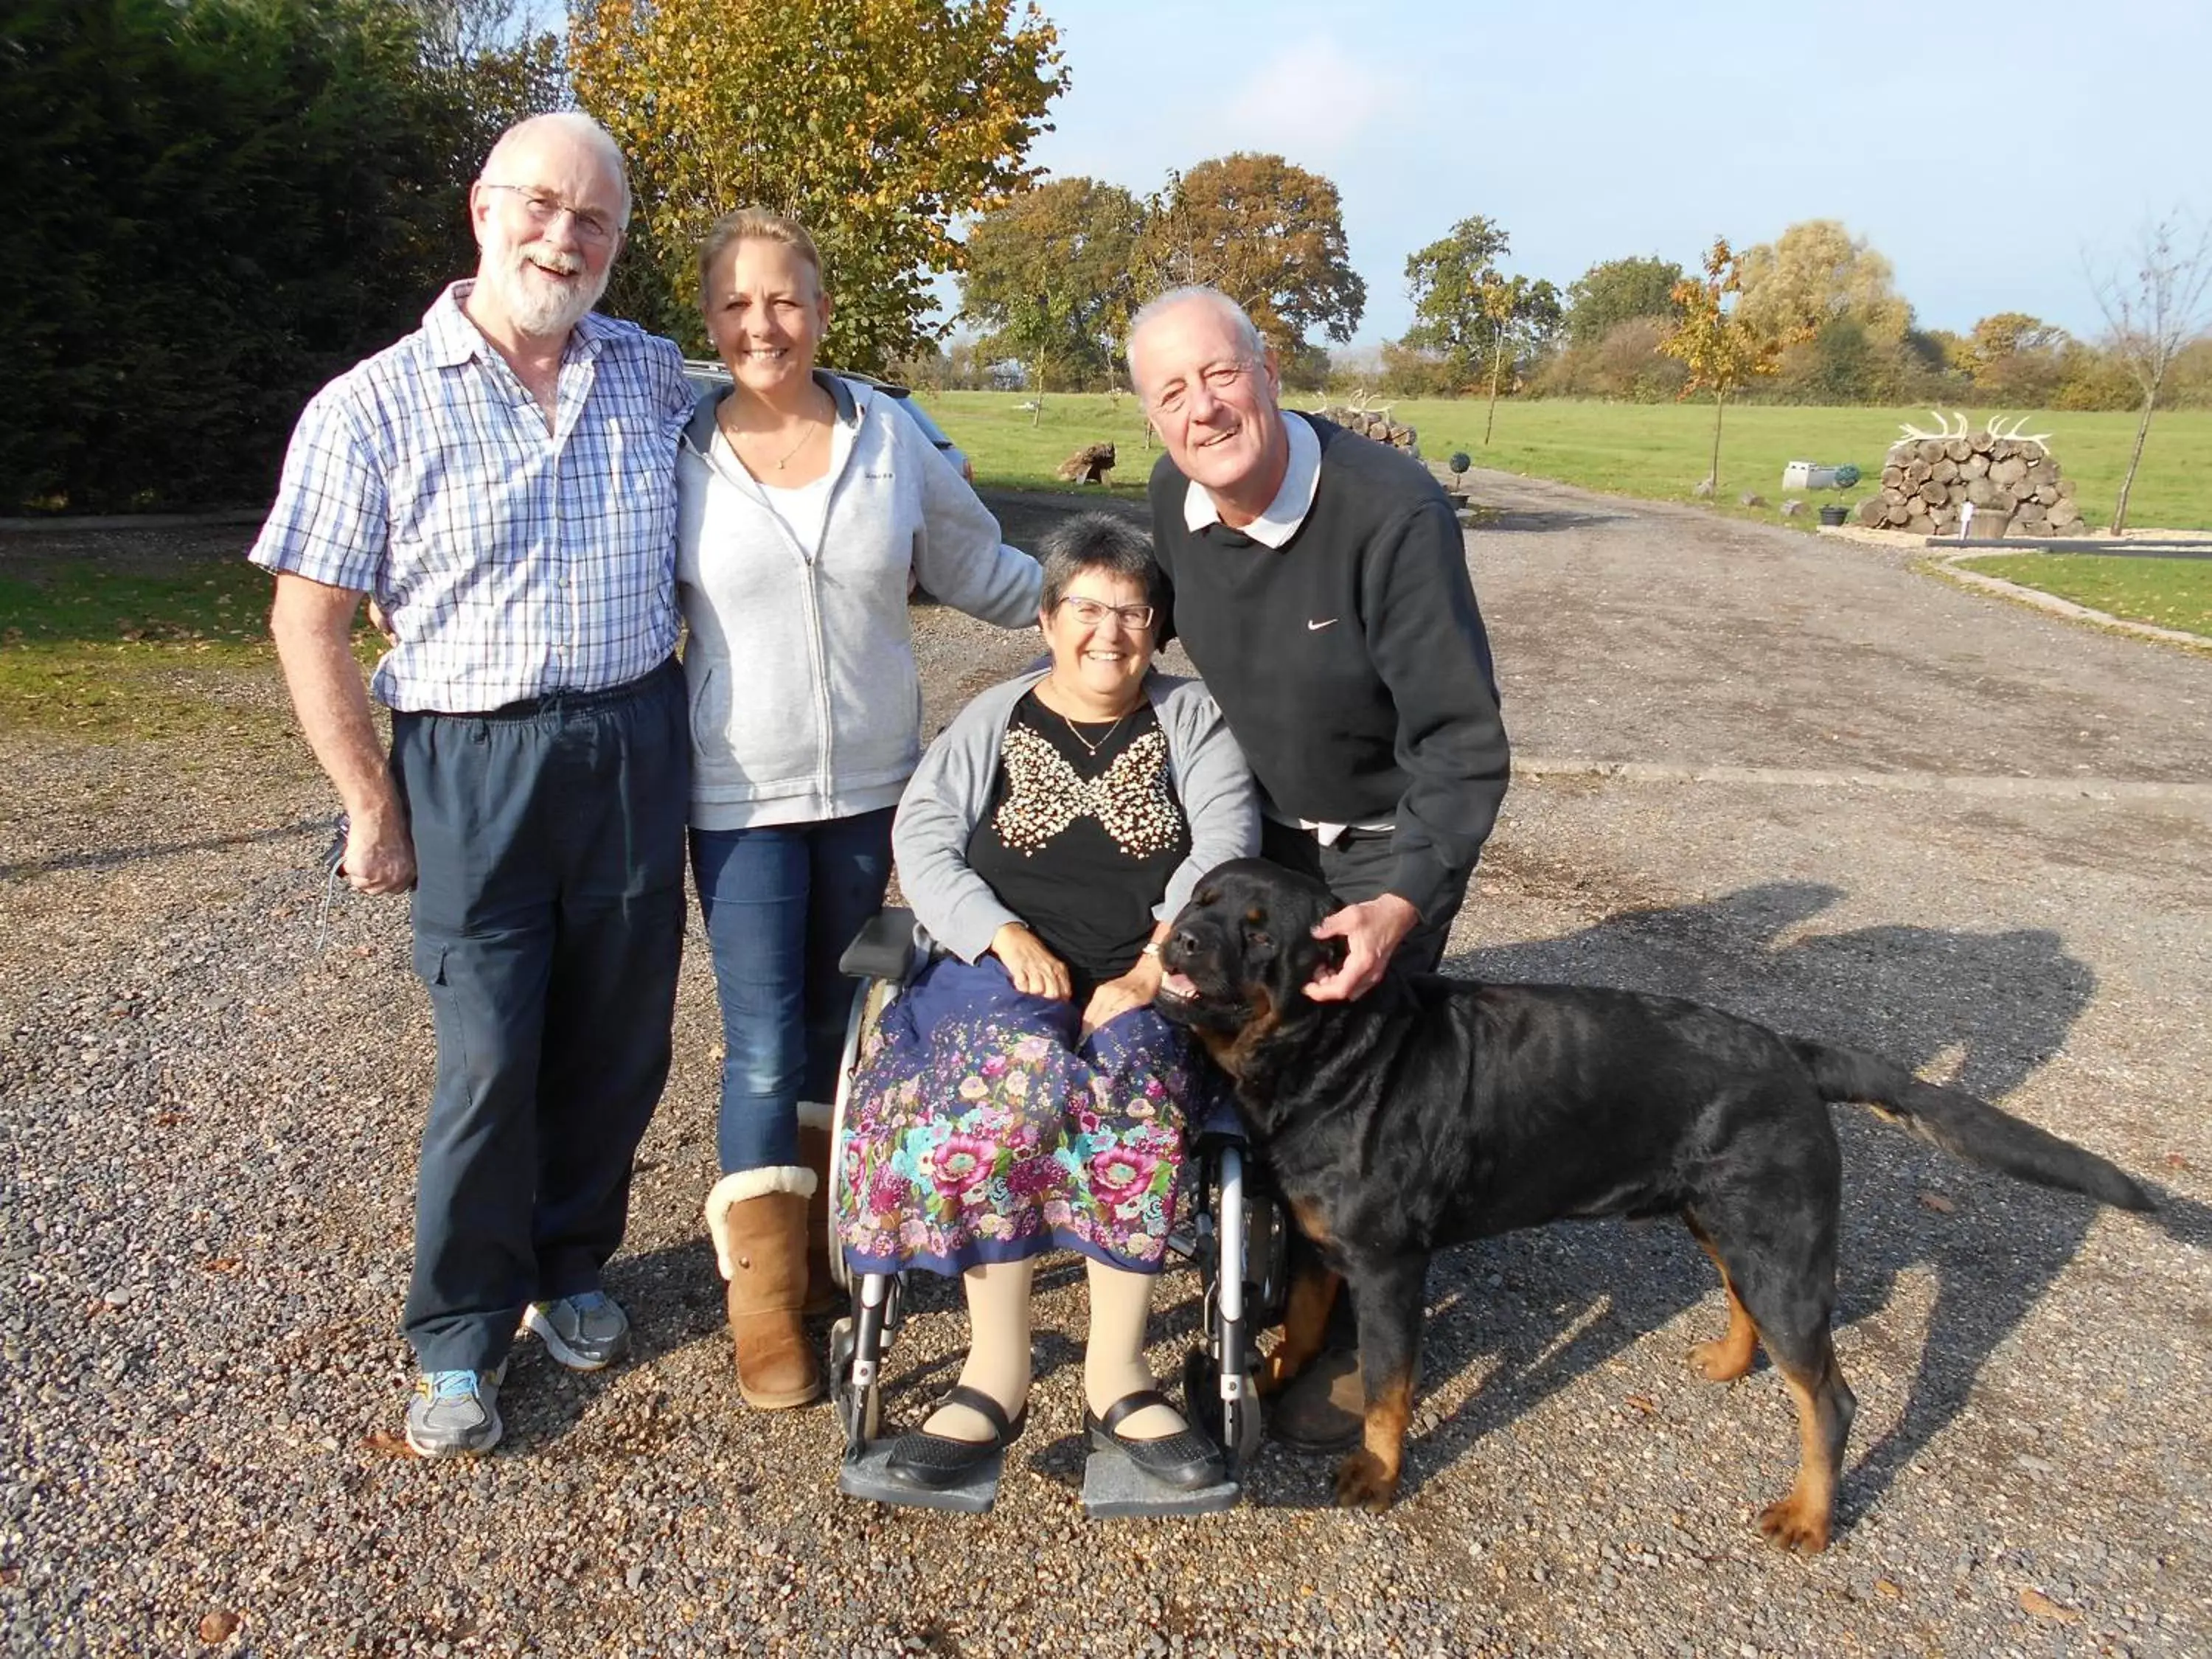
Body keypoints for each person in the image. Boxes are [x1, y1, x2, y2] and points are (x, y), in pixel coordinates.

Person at [249, 113, 693, 1456]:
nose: (565, 237)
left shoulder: (656, 375)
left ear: (618, 242)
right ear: (482, 212)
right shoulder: (369, 405)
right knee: (492, 1056)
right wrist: (373, 805)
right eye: (542, 208)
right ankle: (455, 1332)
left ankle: (570, 1267)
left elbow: (798, 422)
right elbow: (306, 620)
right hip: (470, 760)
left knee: (620, 1040)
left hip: (633, 737)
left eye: (595, 219)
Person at [1125, 285, 1512, 1451]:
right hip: (1259, 830)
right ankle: (1250, 1260)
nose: (1205, 408)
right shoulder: (1171, 500)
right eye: (1173, 391)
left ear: (1270, 368)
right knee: (1232, 1039)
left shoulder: (1392, 515)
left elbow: (1461, 744)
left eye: (1221, 374)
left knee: (1353, 1080)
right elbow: (1143, 634)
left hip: (1380, 837)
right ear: (1149, 416)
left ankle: (1345, 1316)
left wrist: (1401, 901)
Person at [677, 209, 1043, 1413]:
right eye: (735, 304)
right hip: (738, 795)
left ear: (822, 312)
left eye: (782, 300)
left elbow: (980, 563)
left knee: (847, 1027)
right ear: (711, 321)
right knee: (767, 1038)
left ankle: (836, 1255)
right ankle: (766, 1306)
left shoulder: (887, 434)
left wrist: (1114, 605)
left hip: (875, 791)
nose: (759, 324)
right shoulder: (681, 448)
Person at [835, 512, 1259, 1492]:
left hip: (1149, 967)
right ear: (1047, 615)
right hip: (999, 967)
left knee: (1131, 1076)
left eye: (1132, 610)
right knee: (1011, 1076)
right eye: (1086, 607)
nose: (1108, 630)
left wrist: (1156, 965)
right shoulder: (994, 715)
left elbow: (1226, 839)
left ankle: (1117, 1374)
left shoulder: (1192, 720)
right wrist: (1000, 931)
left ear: (1158, 627)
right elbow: (927, 837)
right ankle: (997, 1370)